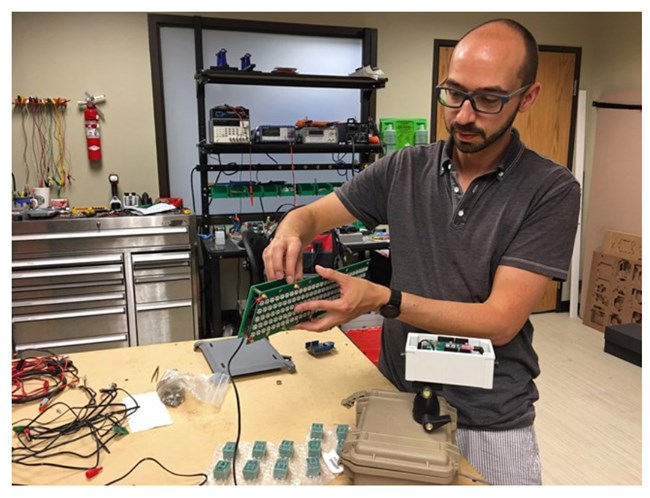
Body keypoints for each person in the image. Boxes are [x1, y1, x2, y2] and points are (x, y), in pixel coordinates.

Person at [262, 18, 581, 485]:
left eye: (489, 99)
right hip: (401, 395)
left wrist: (381, 299)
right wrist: (290, 229)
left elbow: (499, 321)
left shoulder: (550, 190)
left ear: (527, 98)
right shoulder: (403, 168)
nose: (464, 115)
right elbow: (312, 216)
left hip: (489, 415)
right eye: (453, 93)